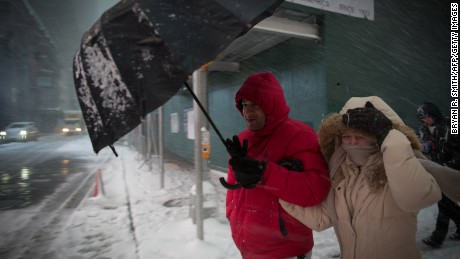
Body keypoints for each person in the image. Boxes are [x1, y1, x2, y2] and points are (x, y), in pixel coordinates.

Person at [280, 96, 441, 259]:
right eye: (346, 136)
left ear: (377, 136)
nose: (353, 143)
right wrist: (285, 182)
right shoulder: (340, 173)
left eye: (361, 136)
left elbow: (416, 198)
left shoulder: (398, 166)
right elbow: (321, 219)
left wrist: (390, 136)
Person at [222, 72, 330, 259]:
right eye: (245, 105)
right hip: (249, 250)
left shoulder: (300, 136)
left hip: (286, 251)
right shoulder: (242, 140)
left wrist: (264, 173)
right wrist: (232, 213)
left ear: (270, 104)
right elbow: (235, 193)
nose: (247, 112)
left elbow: (315, 189)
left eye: (254, 104)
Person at [416, 102, 460, 248]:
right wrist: (425, 147)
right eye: (422, 119)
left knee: (445, 203)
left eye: (427, 117)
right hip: (437, 170)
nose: (425, 121)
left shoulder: (450, 124)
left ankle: (437, 237)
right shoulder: (423, 129)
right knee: (446, 203)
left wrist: (451, 165)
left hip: (452, 170)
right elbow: (422, 145)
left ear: (434, 114)